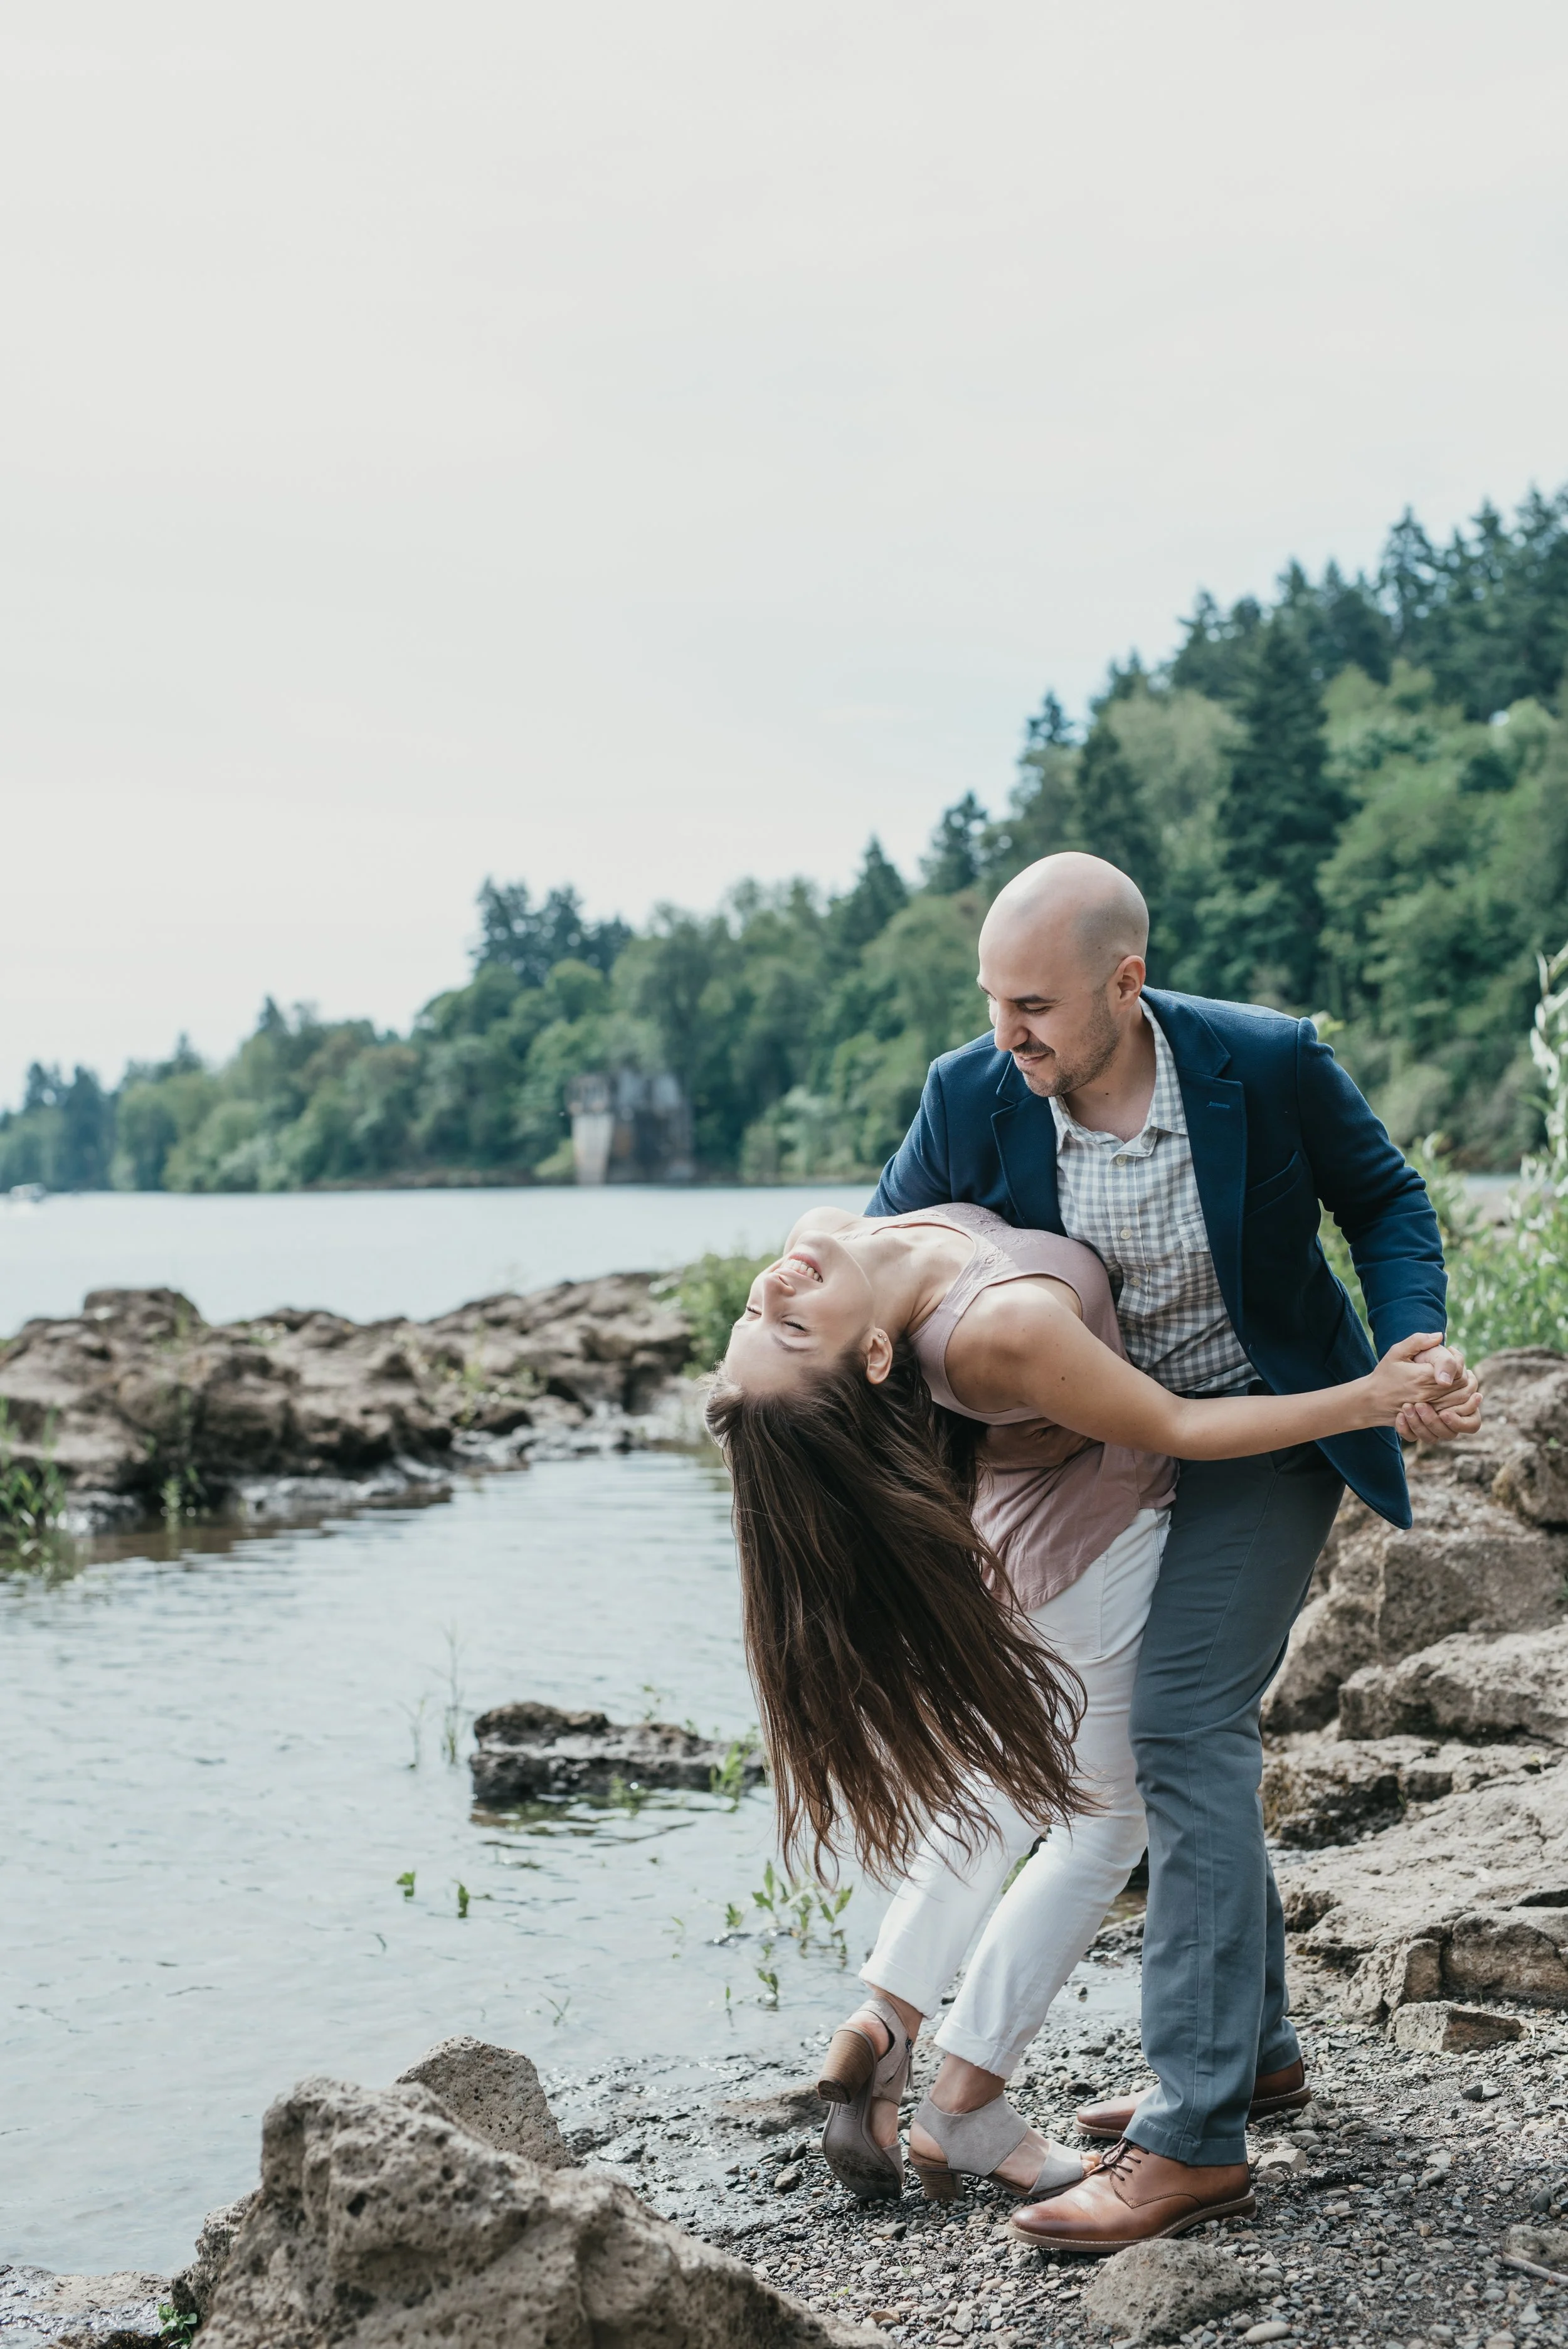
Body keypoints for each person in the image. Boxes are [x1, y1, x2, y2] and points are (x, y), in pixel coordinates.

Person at [855, 850, 1475, 2250]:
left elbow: (1383, 1203)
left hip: (1261, 1437)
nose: (1005, 1036)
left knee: (1181, 1731)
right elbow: (884, 1251)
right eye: (991, 1004)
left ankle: (1193, 2138)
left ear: (1123, 983)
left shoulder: (1266, 1065)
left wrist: (1405, 1343)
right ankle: (1253, 2050)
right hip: (1085, 1470)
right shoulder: (970, 1095)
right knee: (1171, 1743)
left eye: (1034, 1009)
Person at [706, 1185, 1475, 2216]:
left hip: (1024, 1539)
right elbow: (1178, 1427)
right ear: (876, 1363)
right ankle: (967, 2095)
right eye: (785, 1326)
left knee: (1001, 1790)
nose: (770, 1291)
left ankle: (887, 2019)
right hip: (1092, 1543)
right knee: (1106, 1822)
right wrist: (1364, 1399)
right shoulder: (998, 1332)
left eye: (761, 1320)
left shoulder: (823, 1243)